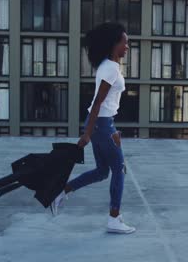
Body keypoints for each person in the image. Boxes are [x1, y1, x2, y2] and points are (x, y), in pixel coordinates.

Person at [50, 22, 135, 234]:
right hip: (103, 124)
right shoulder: (111, 69)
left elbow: (100, 104)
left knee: (102, 171)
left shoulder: (107, 65)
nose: (127, 47)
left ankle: (61, 192)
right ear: (115, 44)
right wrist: (87, 133)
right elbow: (97, 102)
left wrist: (92, 128)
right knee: (119, 169)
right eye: (125, 43)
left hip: (101, 123)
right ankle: (114, 218)